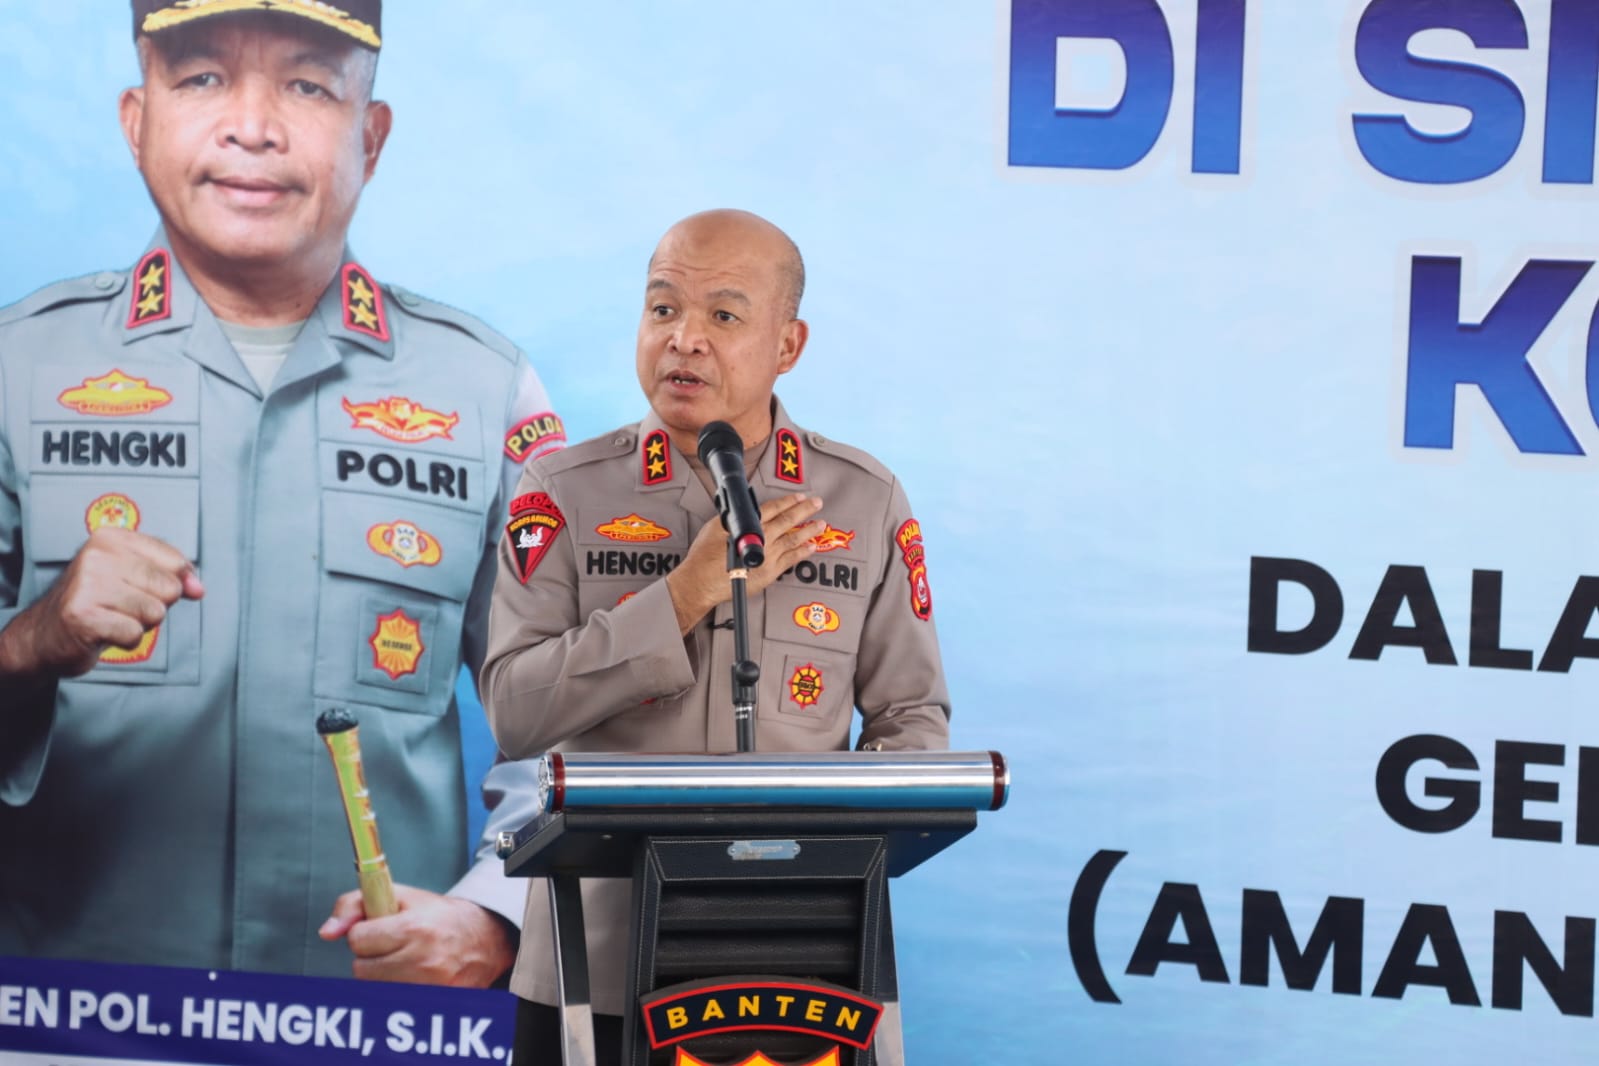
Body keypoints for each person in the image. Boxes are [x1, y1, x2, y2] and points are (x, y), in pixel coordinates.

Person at [0, 0, 565, 985]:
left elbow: (581, 719)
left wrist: (500, 918)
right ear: (136, 119)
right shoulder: (16, 371)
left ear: (371, 137)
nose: (253, 127)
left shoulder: (488, 392)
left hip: (368, 1031)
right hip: (69, 1025)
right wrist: (33, 640)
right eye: (202, 77)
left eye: (306, 84)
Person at [481, 209, 951, 1058]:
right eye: (662, 308)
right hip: (595, 961)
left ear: (788, 344)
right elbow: (515, 709)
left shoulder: (863, 499)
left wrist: (844, 858)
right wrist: (683, 595)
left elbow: (911, 719)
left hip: (804, 967)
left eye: (723, 315)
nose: (683, 339)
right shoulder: (561, 490)